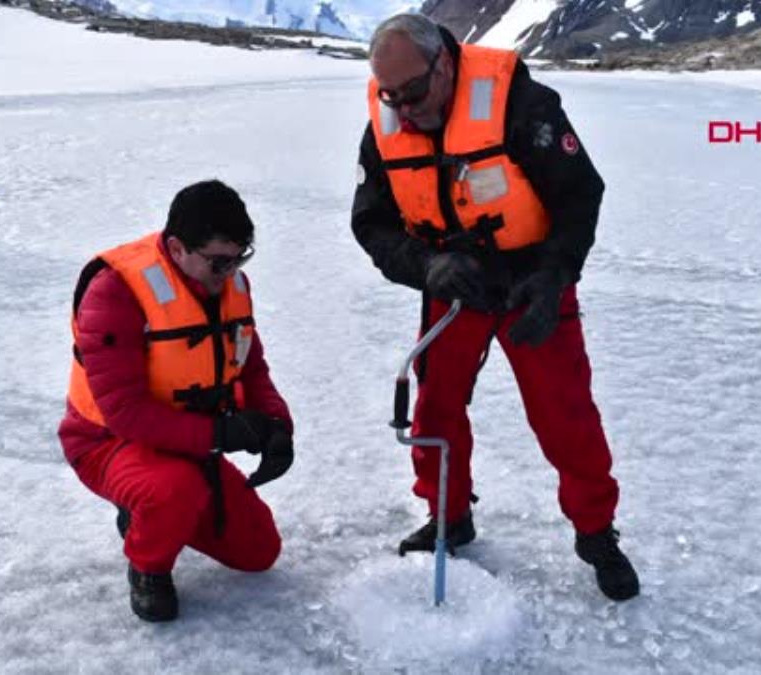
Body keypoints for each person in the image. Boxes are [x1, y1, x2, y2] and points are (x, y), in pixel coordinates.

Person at [350, 13, 639, 601]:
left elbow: (581, 192)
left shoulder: (521, 105)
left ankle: (596, 533)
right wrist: (425, 266)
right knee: (435, 408)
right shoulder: (384, 127)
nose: (404, 109)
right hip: (453, 284)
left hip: (531, 280)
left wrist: (555, 274)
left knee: (565, 414)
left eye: (414, 91)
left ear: (446, 63)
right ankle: (448, 515)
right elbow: (371, 224)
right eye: (391, 95)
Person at [59, 179, 295, 621]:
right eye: (219, 261)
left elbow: (251, 367)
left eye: (240, 258)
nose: (230, 273)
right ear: (177, 248)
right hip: (107, 443)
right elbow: (125, 413)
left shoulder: (230, 287)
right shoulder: (115, 292)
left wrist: (277, 426)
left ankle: (161, 511)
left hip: (188, 441)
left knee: (259, 550)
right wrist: (221, 433)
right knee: (174, 491)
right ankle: (148, 565)